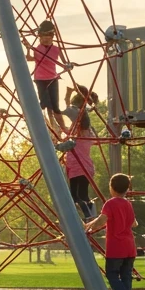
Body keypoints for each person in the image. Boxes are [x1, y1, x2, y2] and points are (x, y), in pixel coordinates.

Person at [84, 173, 138, 290]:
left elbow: (102, 220)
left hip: (116, 246)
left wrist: (88, 228)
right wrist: (90, 224)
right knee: (126, 276)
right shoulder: (128, 204)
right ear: (127, 188)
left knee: (112, 274)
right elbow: (134, 224)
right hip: (130, 246)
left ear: (111, 187)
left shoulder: (110, 203)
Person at [26, 19, 74, 151]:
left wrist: (68, 65)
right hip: (41, 79)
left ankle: (63, 129)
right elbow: (30, 58)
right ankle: (50, 130)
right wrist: (28, 49)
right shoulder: (37, 49)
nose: (46, 40)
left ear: (52, 37)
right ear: (39, 37)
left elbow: (64, 61)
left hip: (53, 78)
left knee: (56, 107)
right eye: (43, 37)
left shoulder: (56, 49)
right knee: (45, 105)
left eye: (48, 37)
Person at [64, 86, 99, 220]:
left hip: (78, 165)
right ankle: (90, 214)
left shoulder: (82, 128)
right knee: (81, 195)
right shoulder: (85, 130)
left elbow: (67, 112)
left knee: (76, 196)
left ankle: (89, 215)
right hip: (80, 165)